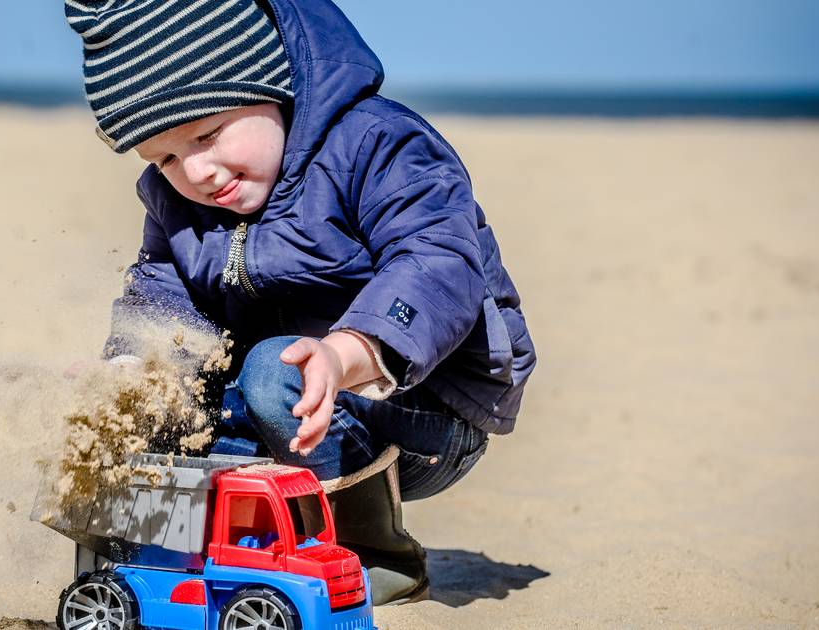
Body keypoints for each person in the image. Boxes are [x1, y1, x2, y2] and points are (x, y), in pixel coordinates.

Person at [64, 0, 536, 605]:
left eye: (207, 134)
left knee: (270, 370)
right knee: (174, 405)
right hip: (277, 411)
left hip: (422, 408)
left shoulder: (374, 143)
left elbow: (436, 261)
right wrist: (130, 373)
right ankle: (173, 553)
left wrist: (348, 352)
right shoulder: (176, 201)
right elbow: (162, 295)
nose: (198, 171)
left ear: (271, 87)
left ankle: (374, 552)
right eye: (166, 157)